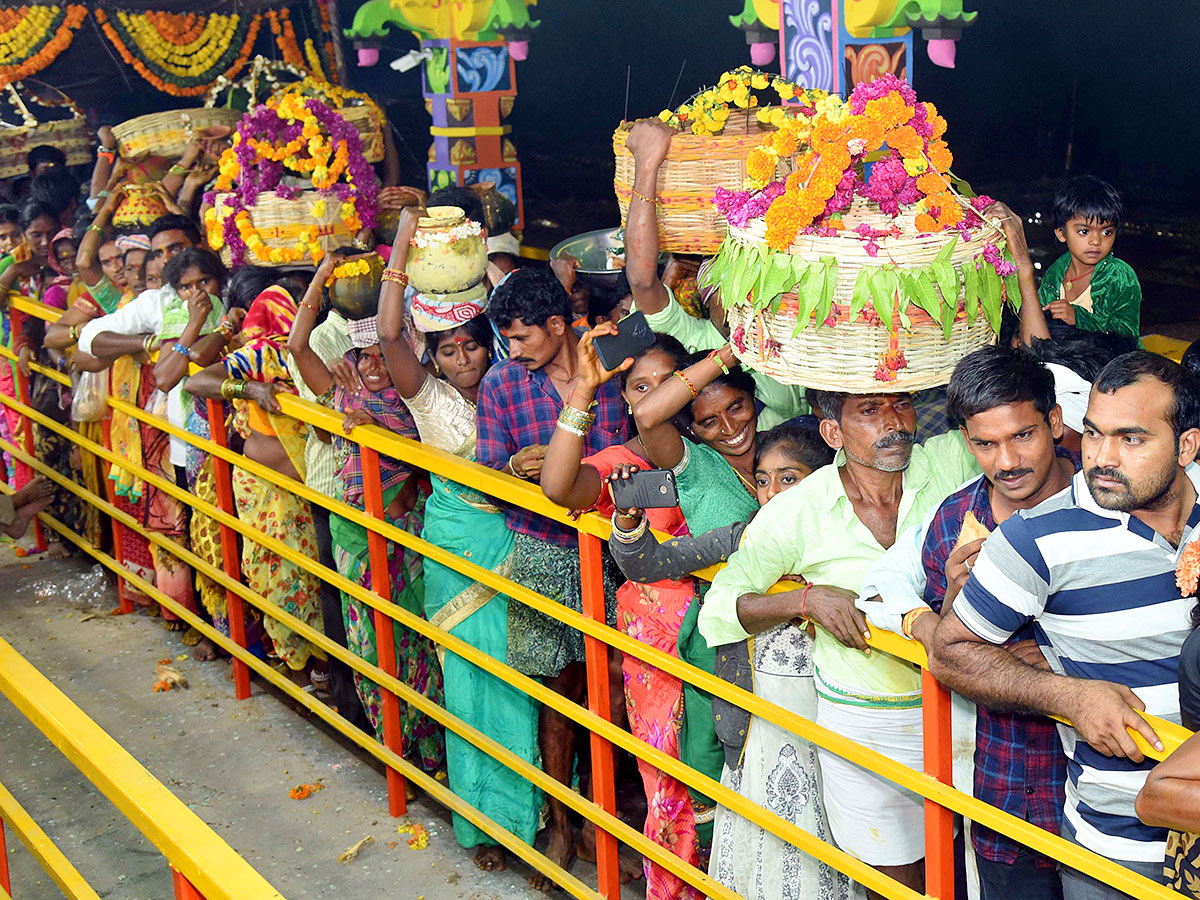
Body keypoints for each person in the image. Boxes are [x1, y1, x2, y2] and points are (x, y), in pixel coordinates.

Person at [930, 351, 1200, 900]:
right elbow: (951, 652)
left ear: (1187, 446)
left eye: (1131, 439)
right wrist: (1070, 696)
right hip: (1118, 854)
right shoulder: (1039, 538)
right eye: (1094, 434)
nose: (1102, 457)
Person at [859, 346, 1077, 900]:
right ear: (964, 440)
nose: (1006, 461)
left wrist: (1053, 656)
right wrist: (941, 621)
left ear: (1054, 423)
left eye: (1022, 435)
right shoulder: (958, 517)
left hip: (1100, 797)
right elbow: (894, 593)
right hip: (1005, 791)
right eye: (985, 443)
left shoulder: (1106, 507)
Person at [607, 423, 854, 900]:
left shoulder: (847, 535)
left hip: (839, 733)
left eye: (789, 478)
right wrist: (627, 521)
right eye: (762, 480)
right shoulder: (748, 536)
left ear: (824, 477)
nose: (771, 493)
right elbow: (649, 564)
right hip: (758, 735)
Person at [377, 207, 541, 873]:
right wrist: (404, 235)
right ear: (434, 356)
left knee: (520, 687)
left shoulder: (516, 385)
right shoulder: (426, 398)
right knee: (469, 687)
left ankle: (529, 822)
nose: (463, 356)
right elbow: (389, 330)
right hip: (456, 551)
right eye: (449, 348)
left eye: (473, 344)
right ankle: (480, 826)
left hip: (518, 547)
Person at [476, 265, 629, 884]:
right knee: (557, 692)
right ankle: (561, 824)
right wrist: (514, 463)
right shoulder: (500, 385)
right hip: (543, 547)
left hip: (620, 550)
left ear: (559, 325)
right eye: (507, 340)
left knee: (617, 688)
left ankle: (603, 819)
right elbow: (487, 471)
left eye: (522, 338)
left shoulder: (613, 364)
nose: (513, 352)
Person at [288, 253, 444, 770]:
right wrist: (325, 270)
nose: (374, 365)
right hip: (360, 539)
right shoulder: (343, 392)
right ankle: (398, 753)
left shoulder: (417, 396)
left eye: (382, 355)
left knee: (424, 646)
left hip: (414, 534)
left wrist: (376, 431)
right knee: (374, 648)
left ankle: (433, 753)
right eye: (365, 356)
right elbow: (296, 345)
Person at [622, 118, 807, 429]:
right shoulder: (692, 341)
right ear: (707, 304)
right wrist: (647, 163)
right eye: (729, 292)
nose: (742, 303)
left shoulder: (794, 329)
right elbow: (641, 280)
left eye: (751, 290)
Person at [285, 260, 371, 732]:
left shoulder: (383, 328)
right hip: (335, 487)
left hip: (381, 491)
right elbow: (298, 351)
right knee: (340, 602)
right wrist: (319, 278)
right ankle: (352, 708)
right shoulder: (323, 338)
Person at [1038, 176, 1141, 341]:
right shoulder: (1054, 275)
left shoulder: (1120, 276)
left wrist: (1078, 317)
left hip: (1109, 363)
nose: (1096, 241)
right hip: (1064, 358)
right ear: (1061, 233)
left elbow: (1127, 335)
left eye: (1106, 232)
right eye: (1084, 232)